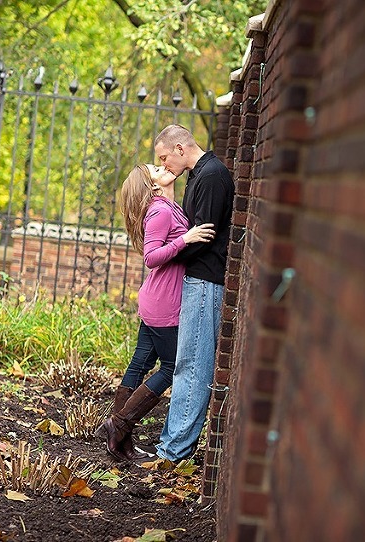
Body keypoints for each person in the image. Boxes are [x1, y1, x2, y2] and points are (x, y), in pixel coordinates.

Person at [95, 163, 215, 462]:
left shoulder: (169, 206)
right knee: (172, 365)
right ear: (151, 185)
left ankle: (118, 439)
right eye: (155, 168)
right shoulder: (160, 211)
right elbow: (151, 257)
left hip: (156, 298)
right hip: (163, 302)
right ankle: (120, 425)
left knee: (139, 364)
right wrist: (184, 240)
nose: (162, 166)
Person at [149, 124, 235, 463]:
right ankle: (169, 445)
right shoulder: (197, 176)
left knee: (194, 367)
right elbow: (188, 231)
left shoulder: (212, 176)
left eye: (164, 157)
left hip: (206, 282)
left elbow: (203, 238)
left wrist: (168, 252)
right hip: (196, 281)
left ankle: (174, 452)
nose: (164, 164)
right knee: (187, 364)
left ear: (181, 148)